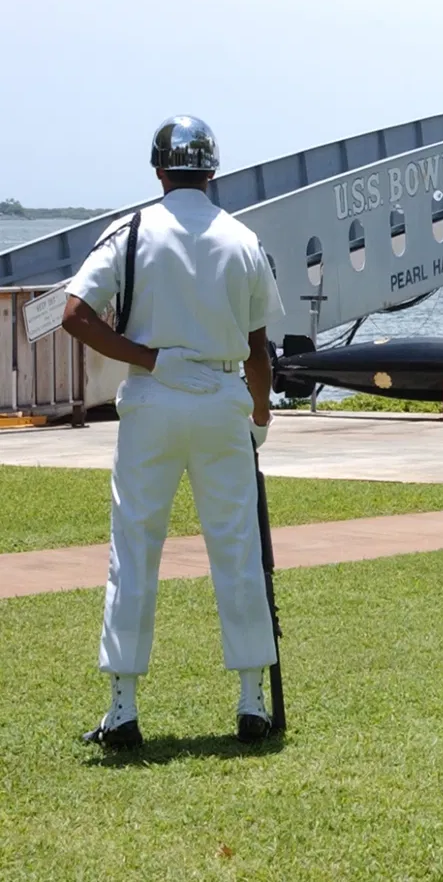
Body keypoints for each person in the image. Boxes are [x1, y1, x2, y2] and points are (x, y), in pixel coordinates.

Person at [61, 116, 284, 750]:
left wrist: (150, 357)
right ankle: (250, 699)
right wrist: (260, 418)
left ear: (159, 170)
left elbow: (75, 313)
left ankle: (123, 706)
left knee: (134, 549)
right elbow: (259, 348)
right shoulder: (243, 239)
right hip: (221, 399)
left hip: (153, 395)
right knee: (237, 550)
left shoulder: (129, 233)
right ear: (212, 171)